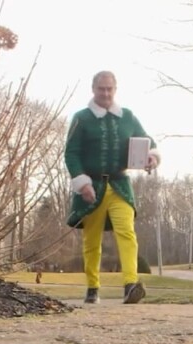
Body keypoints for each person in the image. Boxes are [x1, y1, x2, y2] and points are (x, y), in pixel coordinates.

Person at [64, 70, 160, 304]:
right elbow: (71, 153)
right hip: (92, 186)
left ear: (115, 90)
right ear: (93, 89)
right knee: (92, 240)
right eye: (101, 89)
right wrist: (82, 182)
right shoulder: (82, 118)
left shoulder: (127, 117)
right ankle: (93, 287)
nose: (105, 93)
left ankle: (130, 284)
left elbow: (148, 142)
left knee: (127, 233)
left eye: (110, 89)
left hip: (120, 184)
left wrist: (152, 157)